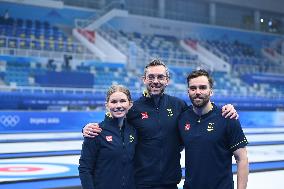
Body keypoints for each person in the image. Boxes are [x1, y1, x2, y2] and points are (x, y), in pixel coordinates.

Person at [83, 59, 238, 189]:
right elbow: (114, 119)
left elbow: (202, 111)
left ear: (167, 80)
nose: (155, 81)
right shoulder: (134, 109)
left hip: (171, 182)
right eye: (151, 77)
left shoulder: (178, 105)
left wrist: (226, 108)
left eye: (160, 77)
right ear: (144, 79)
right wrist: (86, 128)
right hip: (142, 183)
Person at [178, 69, 249, 189]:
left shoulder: (227, 117)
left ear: (211, 91)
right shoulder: (182, 118)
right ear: (188, 91)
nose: (198, 92)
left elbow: (242, 159)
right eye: (193, 88)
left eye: (203, 87)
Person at [78, 85, 136, 189]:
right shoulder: (95, 131)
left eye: (122, 101)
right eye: (113, 102)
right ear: (107, 105)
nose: (118, 105)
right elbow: (85, 169)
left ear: (130, 104)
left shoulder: (135, 130)